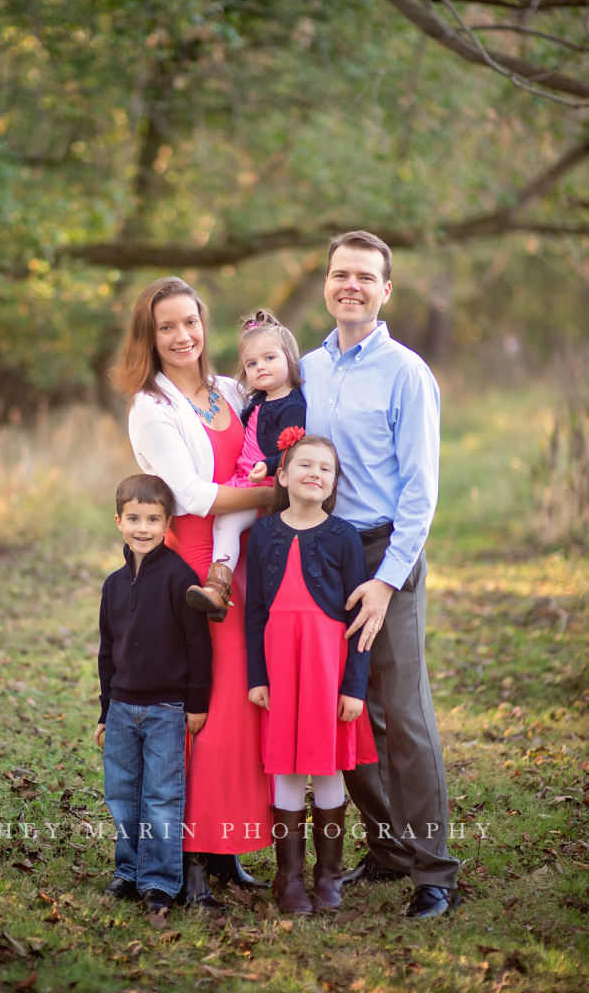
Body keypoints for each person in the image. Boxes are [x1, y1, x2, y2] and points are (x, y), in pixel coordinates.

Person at [300, 230, 460, 919]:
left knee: (402, 713)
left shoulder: (405, 373)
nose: (351, 286)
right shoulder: (303, 368)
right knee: (336, 707)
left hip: (381, 552)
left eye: (365, 277)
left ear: (384, 290)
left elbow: (420, 493)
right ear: (326, 284)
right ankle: (390, 847)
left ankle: (434, 872)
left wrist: (388, 578)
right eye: (340, 274)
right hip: (317, 556)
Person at [109, 276, 273, 908]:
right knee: (199, 707)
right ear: (149, 338)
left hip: (245, 562)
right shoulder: (151, 407)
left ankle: (226, 843)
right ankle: (186, 854)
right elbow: (193, 495)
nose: (182, 336)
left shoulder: (230, 390)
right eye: (166, 327)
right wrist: (272, 494)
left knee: (238, 709)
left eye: (190, 322)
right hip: (195, 571)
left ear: (205, 324)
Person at [245, 434, 378, 914]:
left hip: (327, 668)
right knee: (286, 764)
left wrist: (354, 686)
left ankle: (329, 876)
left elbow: (357, 621)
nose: (314, 473)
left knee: (325, 767)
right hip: (281, 665)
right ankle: (289, 877)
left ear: (334, 483)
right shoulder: (263, 533)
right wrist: (256, 676)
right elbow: (255, 611)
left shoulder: (343, 535)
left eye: (326, 468)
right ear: (281, 475)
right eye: (305, 464)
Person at [94, 473, 213, 914]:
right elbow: (108, 651)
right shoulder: (112, 584)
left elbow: (198, 646)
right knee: (122, 793)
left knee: (162, 796)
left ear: (168, 525)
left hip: (167, 707)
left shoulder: (180, 578)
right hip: (123, 707)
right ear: (119, 521)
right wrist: (106, 712)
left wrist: (196, 702)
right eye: (134, 518)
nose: (143, 528)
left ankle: (160, 881)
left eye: (153, 519)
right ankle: (128, 870)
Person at [187, 308, 306, 619]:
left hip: (267, 484)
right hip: (245, 480)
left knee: (227, 521)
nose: (260, 367)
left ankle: (217, 586)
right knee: (221, 518)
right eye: (252, 364)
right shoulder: (255, 400)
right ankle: (224, 585)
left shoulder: (292, 405)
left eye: (269, 358)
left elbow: (295, 451)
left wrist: (268, 466)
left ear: (290, 359)